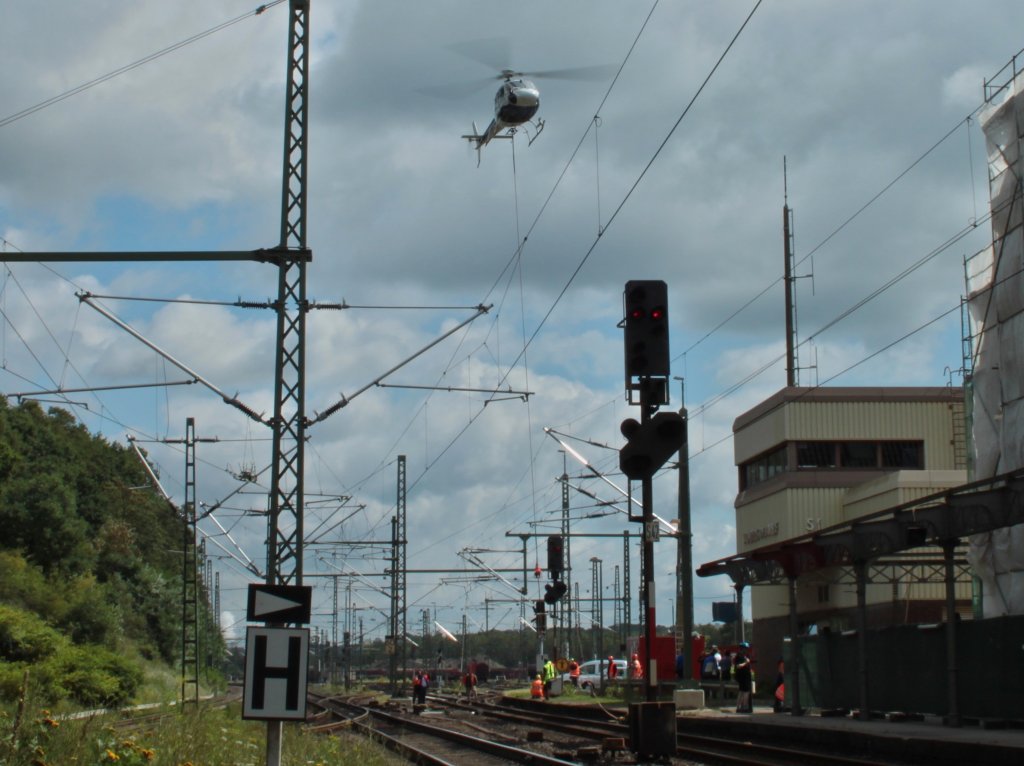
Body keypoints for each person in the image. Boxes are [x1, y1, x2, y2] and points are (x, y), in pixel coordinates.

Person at [733, 641, 753, 713]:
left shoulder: (742, 656)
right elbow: (738, 666)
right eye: (746, 648)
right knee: (745, 692)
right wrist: (746, 662)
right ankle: (744, 707)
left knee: (741, 692)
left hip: (743, 676)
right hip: (744, 676)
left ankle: (738, 707)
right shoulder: (740, 656)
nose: (746, 650)